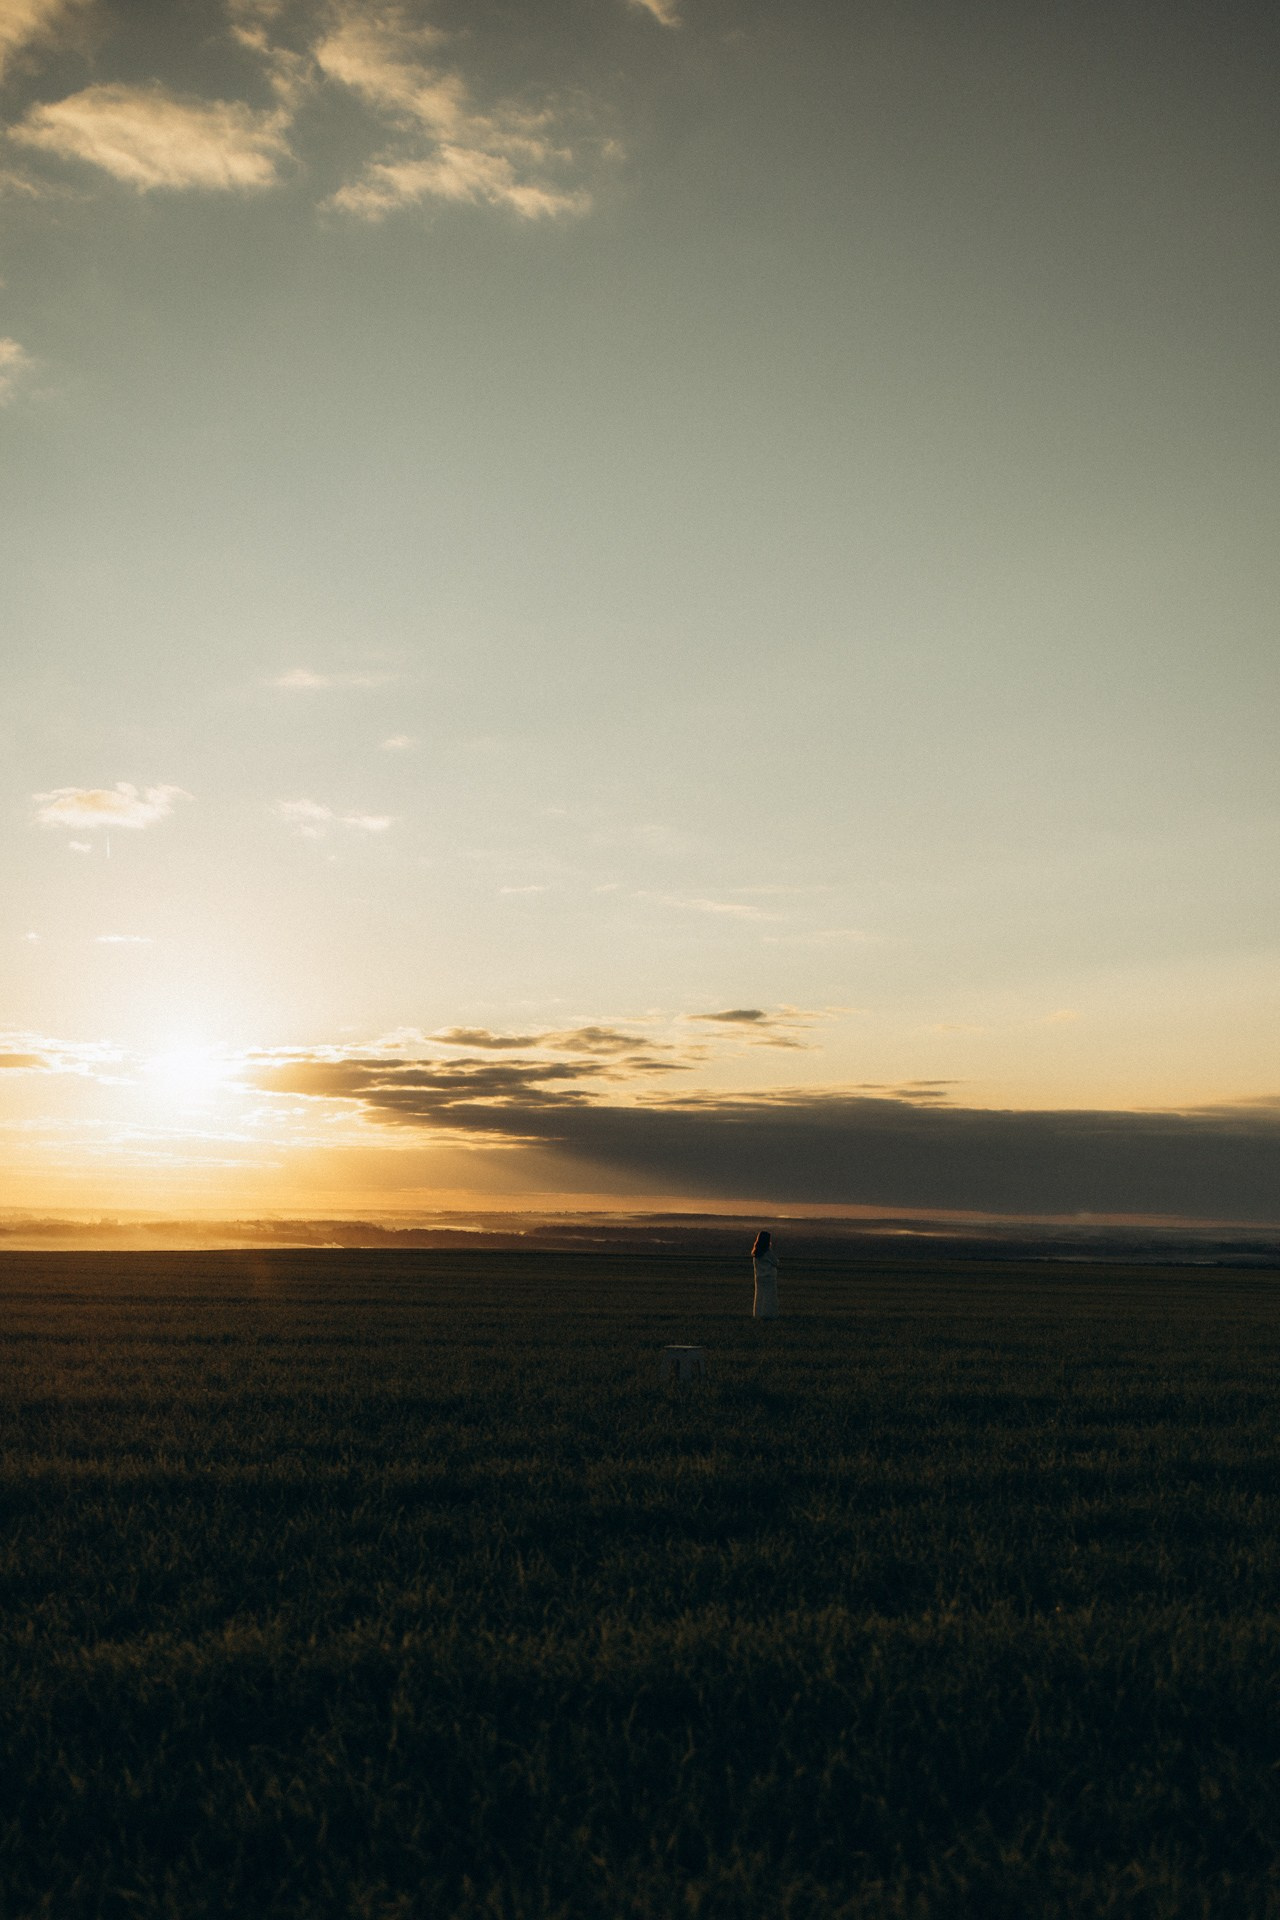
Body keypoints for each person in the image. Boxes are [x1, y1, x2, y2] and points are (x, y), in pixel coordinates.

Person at [751, 1230, 779, 1319]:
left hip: (759, 1277)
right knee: (769, 1297)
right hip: (769, 1277)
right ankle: (768, 1314)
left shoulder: (755, 1252)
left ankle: (758, 1313)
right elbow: (776, 1262)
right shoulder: (767, 1252)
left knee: (759, 1296)